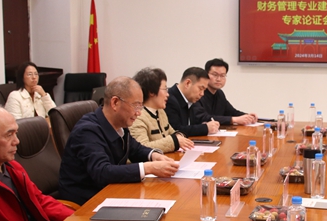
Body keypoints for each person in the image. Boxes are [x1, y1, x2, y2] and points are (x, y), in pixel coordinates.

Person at [59, 77, 180, 205]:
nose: (139, 113)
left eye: (141, 106)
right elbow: (102, 172)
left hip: (111, 192)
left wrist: (154, 155)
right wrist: (148, 168)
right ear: (115, 103)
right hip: (86, 203)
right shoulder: (87, 131)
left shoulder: (119, 124)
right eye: (136, 105)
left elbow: (135, 149)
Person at [131, 67, 194, 153]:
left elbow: (172, 132)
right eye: (165, 89)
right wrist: (175, 141)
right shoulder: (138, 116)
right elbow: (142, 147)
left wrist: (179, 136)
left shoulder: (160, 111)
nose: (167, 94)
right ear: (151, 92)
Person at [195, 58, 257, 126]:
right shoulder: (198, 93)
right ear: (206, 75)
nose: (218, 79)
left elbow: (231, 112)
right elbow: (203, 117)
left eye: (222, 75)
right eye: (215, 75)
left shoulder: (219, 93)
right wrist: (233, 120)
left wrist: (248, 116)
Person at [165, 67, 220, 137]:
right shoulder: (169, 99)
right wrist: (205, 128)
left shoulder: (190, 99)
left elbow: (191, 124)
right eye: (201, 88)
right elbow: (175, 130)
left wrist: (204, 124)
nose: (202, 94)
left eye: (204, 90)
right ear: (187, 83)